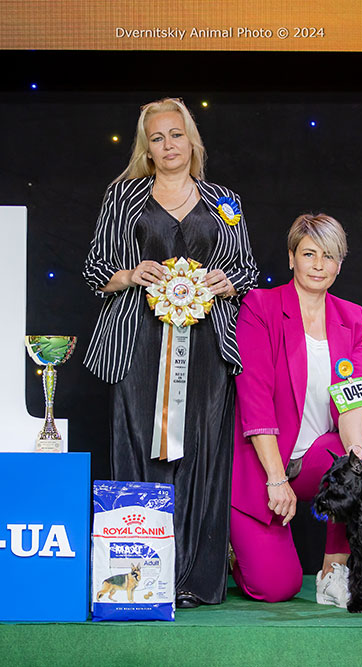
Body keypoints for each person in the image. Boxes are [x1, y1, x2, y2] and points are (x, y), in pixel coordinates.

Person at [83, 98, 258, 608]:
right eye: (157, 138)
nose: (168, 145)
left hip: (208, 346)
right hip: (138, 342)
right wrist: (130, 274)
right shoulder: (124, 196)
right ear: (147, 148)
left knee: (202, 454)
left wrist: (227, 282)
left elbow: (248, 270)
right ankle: (141, 580)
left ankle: (193, 580)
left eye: (176, 134)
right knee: (142, 449)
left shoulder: (225, 201)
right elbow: (95, 270)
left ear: (191, 140)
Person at [229, 213, 362, 606]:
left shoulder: (351, 317)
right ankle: (233, 553)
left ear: (339, 264)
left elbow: (354, 399)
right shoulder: (260, 305)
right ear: (291, 257)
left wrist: (355, 458)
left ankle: (334, 573)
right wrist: (275, 479)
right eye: (309, 254)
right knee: (276, 587)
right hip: (263, 466)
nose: (318, 265)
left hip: (316, 460)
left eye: (328, 256)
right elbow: (255, 399)